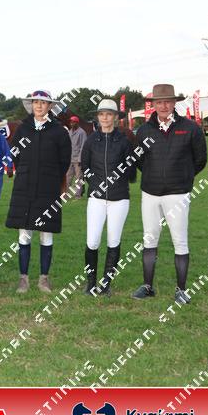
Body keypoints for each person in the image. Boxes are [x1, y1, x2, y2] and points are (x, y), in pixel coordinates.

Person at [132, 84, 207, 304]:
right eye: (159, 102)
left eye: (167, 101)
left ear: (174, 103)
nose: (163, 106)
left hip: (177, 194)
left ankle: (181, 290)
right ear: (153, 104)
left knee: (180, 241)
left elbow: (200, 159)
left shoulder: (190, 128)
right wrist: (154, 175)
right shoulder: (144, 131)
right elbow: (139, 160)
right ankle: (147, 287)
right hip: (150, 193)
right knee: (149, 239)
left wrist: (182, 177)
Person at [6, 90, 71, 293]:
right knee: (24, 235)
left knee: (46, 235)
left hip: (48, 188)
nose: (39, 106)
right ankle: (23, 279)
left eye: (43, 103)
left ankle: (44, 279)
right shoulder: (22, 129)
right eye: (36, 102)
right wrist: (26, 171)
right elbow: (15, 154)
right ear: (31, 105)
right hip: (24, 187)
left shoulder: (59, 131)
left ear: (50, 106)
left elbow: (64, 161)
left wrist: (50, 176)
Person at [80, 99, 135, 296]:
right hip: (96, 198)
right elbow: (85, 167)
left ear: (116, 117)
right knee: (92, 241)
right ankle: (90, 283)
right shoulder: (90, 141)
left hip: (119, 199)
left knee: (113, 240)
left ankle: (106, 285)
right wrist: (96, 184)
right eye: (102, 114)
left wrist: (116, 182)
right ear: (98, 117)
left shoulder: (124, 142)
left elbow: (131, 171)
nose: (105, 118)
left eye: (109, 114)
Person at [66, 115, 87, 199]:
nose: (71, 123)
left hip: (78, 159)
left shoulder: (82, 132)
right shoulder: (70, 131)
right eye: (71, 122)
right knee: (68, 176)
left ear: (77, 123)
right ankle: (65, 195)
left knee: (79, 178)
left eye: (73, 122)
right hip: (70, 158)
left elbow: (83, 146)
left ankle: (78, 195)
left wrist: (80, 159)